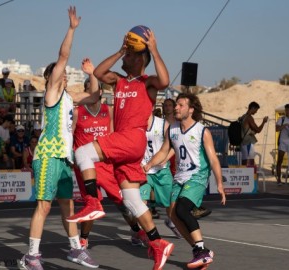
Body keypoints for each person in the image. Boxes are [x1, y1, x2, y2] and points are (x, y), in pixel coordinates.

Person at [67, 28, 174, 270]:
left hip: (131, 138)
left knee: (82, 152)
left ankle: (93, 202)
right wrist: (120, 51)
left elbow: (165, 80)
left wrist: (154, 50)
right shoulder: (119, 80)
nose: (124, 58)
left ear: (139, 59)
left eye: (128, 55)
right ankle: (158, 243)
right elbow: (98, 72)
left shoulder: (148, 84)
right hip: (127, 144)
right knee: (132, 201)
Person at [20, 6, 96, 270]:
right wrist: (72, 29)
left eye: (64, 73)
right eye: (59, 72)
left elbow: (95, 96)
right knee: (44, 205)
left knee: (68, 205)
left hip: (64, 157)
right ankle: (31, 256)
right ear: (51, 77)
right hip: (48, 155)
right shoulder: (51, 93)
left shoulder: (68, 99)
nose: (64, 73)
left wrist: (92, 75)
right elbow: (63, 55)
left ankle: (76, 249)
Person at [144, 93, 226, 269]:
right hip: (179, 177)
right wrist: (149, 163)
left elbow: (213, 159)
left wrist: (219, 182)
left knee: (181, 208)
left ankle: (201, 251)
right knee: (173, 214)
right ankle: (200, 251)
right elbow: (164, 151)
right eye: (176, 105)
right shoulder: (172, 129)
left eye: (181, 105)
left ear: (191, 109)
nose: (176, 108)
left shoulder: (202, 131)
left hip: (197, 176)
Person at [73, 70, 147, 253]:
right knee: (91, 203)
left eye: (96, 89)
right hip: (85, 165)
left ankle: (136, 231)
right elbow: (70, 136)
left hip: (105, 162)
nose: (94, 93)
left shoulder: (110, 111)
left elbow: (115, 135)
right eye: (90, 89)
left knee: (123, 202)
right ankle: (83, 239)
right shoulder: (77, 112)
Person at [163, 98, 212, 220]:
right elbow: (171, 145)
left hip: (181, 161)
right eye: (167, 105)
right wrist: (161, 159)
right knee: (171, 196)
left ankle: (192, 207)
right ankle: (178, 215)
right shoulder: (164, 123)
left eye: (171, 105)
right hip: (167, 158)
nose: (171, 107)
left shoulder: (183, 123)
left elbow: (179, 144)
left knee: (182, 195)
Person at [141, 112, 182, 238]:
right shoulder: (135, 124)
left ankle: (171, 221)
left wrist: (165, 158)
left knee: (170, 203)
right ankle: (141, 232)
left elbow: (174, 145)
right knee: (140, 204)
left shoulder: (163, 124)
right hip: (142, 169)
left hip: (161, 170)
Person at [241, 101, 268, 166]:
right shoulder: (249, 118)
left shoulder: (243, 117)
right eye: (256, 110)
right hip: (248, 142)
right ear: (252, 108)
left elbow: (248, 131)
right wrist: (263, 122)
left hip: (243, 142)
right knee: (250, 162)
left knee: (244, 161)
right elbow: (258, 130)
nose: (256, 112)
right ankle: (250, 175)